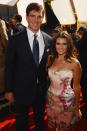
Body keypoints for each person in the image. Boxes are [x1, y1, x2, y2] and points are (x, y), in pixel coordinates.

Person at [5, 2, 53, 131]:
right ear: (26, 17)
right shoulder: (15, 40)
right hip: (21, 90)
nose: (36, 20)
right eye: (32, 16)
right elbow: (9, 66)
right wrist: (8, 90)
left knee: (40, 122)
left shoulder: (49, 40)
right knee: (21, 123)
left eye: (39, 16)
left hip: (41, 91)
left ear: (42, 19)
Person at [46, 31, 82, 131]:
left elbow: (77, 87)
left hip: (67, 102)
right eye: (58, 43)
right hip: (51, 99)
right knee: (54, 127)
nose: (61, 47)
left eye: (64, 44)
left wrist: (77, 108)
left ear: (68, 45)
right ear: (54, 45)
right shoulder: (50, 59)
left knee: (65, 128)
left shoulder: (74, 63)